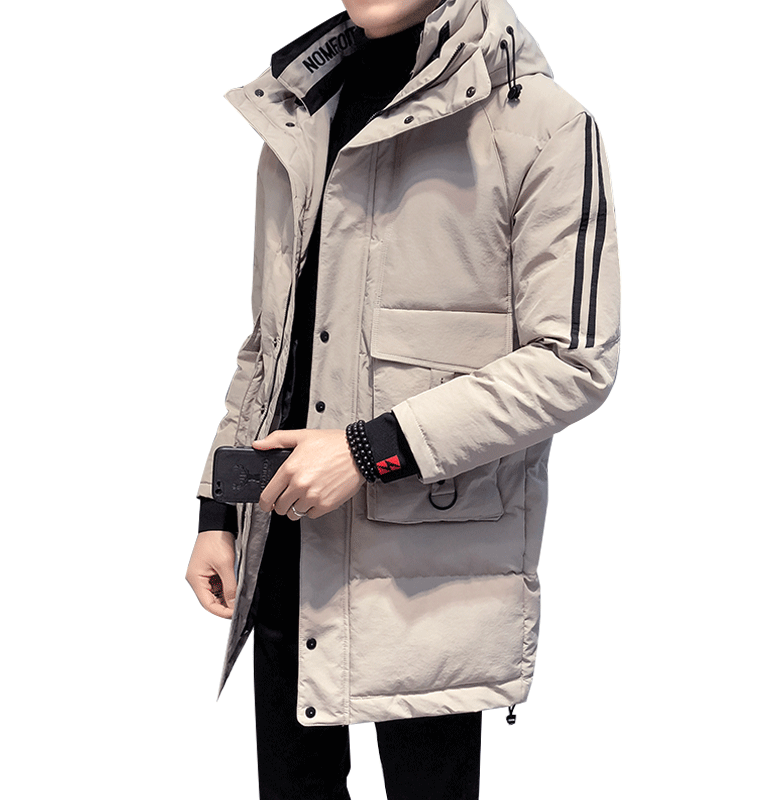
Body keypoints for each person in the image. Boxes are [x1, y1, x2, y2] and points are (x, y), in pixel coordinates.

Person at [185, 0, 620, 796]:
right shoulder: (298, 115)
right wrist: (219, 508)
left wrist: (366, 451)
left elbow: (574, 360)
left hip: (430, 567)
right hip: (283, 539)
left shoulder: (543, 125)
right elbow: (272, 343)